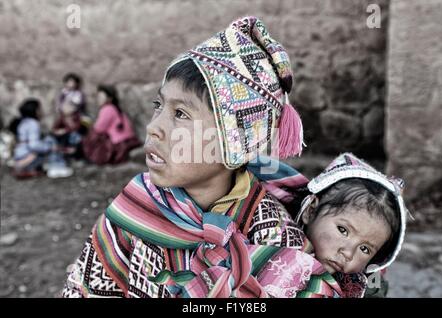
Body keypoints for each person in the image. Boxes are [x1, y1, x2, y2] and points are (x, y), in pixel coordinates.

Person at [62, 16, 369, 298]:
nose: (154, 127)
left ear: (234, 144)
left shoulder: (274, 235)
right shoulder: (135, 208)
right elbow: (85, 287)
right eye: (159, 105)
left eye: (180, 113)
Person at [288, 152, 410, 297]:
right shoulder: (274, 236)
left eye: (364, 249)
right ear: (310, 210)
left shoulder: (364, 287)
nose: (348, 254)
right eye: (343, 230)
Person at [9, 98, 73, 179]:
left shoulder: (23, 122)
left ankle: (31, 168)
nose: (42, 111)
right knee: (50, 141)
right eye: (40, 109)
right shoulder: (33, 124)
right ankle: (56, 166)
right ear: (35, 111)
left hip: (19, 155)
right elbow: (34, 145)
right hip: (27, 157)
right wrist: (50, 148)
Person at [81, 84, 141, 165]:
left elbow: (99, 128)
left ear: (110, 98)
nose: (98, 99)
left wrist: (90, 125)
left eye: (101, 97)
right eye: (98, 97)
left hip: (119, 143)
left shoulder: (107, 109)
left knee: (91, 138)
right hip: (128, 140)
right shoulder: (114, 108)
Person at [52, 73, 90, 159]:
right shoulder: (63, 93)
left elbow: (77, 125)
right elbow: (55, 127)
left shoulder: (79, 94)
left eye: (72, 82)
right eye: (68, 82)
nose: (70, 84)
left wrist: (66, 129)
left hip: (78, 119)